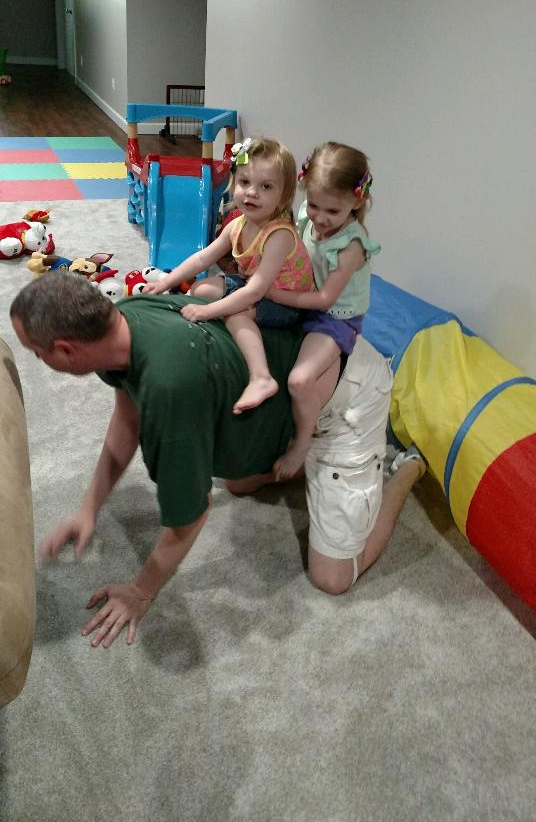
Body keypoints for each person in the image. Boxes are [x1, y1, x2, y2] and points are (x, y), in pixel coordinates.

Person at [10, 273, 426, 648]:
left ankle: (408, 467)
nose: (38, 360)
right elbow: (127, 418)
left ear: (65, 351)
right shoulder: (120, 321)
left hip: (348, 396)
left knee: (332, 578)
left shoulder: (169, 385)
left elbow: (189, 518)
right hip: (295, 393)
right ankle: (303, 454)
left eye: (35, 352)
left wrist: (142, 590)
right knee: (239, 480)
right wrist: (89, 508)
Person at [142, 137, 314, 414]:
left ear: (283, 196)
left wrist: (209, 312)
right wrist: (165, 283)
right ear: (234, 183)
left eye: (266, 187)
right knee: (201, 289)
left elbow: (255, 292)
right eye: (244, 182)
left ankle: (261, 378)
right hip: (255, 284)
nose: (251, 193)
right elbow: (203, 258)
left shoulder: (279, 235)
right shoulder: (237, 224)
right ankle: (224, 319)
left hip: (285, 301)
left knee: (235, 315)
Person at [268, 141, 381, 480]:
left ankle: (303, 442)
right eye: (314, 205)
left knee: (300, 381)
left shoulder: (351, 245)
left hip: (335, 318)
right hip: (303, 294)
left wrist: (274, 293)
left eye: (332, 211)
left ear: (357, 201)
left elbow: (325, 300)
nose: (319, 217)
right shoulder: (307, 214)